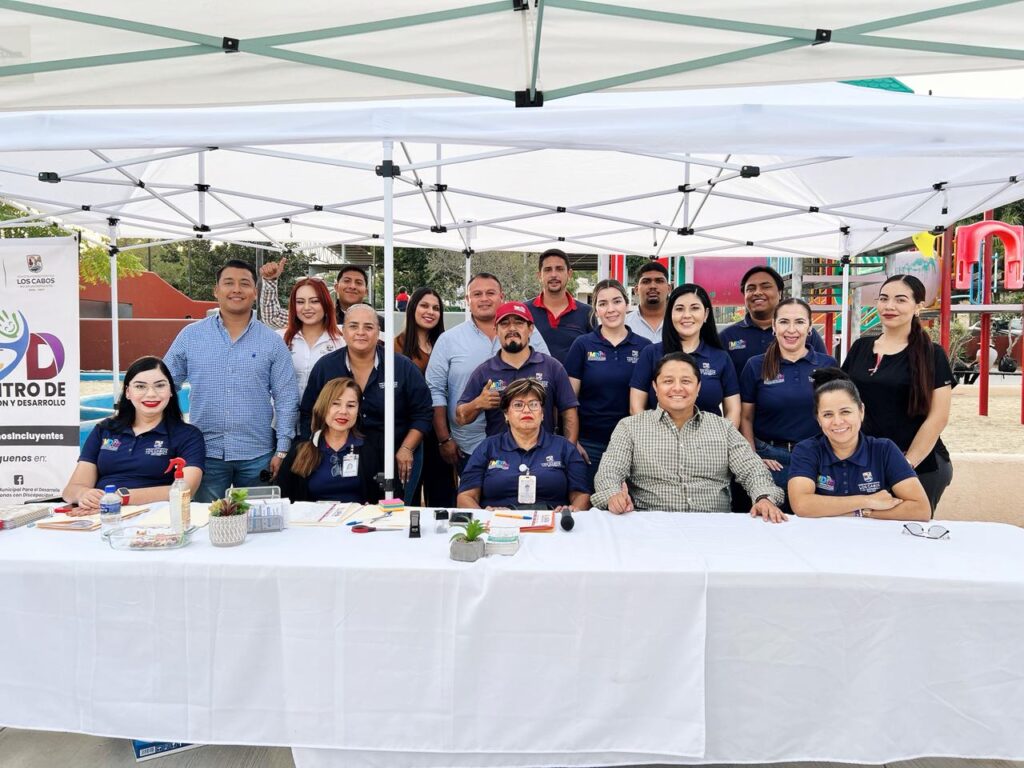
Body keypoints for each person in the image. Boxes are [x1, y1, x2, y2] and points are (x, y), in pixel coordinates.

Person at [592, 352, 785, 521]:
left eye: (686, 381)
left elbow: (752, 468)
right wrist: (613, 495)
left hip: (714, 526)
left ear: (698, 387)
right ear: (655, 387)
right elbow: (610, 471)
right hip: (651, 526)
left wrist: (763, 498)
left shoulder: (723, 428)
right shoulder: (630, 427)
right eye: (668, 381)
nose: (677, 388)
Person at [165, 259, 299, 502]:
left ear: (255, 292)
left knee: (259, 520)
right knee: (206, 519)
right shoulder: (191, 336)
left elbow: (286, 397)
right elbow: (164, 385)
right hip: (205, 454)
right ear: (216, 290)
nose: (237, 289)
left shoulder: (272, 342)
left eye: (244, 283)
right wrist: (173, 433)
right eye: (229, 283)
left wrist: (282, 449)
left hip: (258, 455)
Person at [841, 274, 955, 514]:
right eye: (884, 298)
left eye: (900, 300)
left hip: (918, 466)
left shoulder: (931, 354)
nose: (889, 306)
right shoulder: (860, 347)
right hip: (865, 463)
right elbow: (842, 399)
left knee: (907, 531)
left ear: (918, 306)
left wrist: (904, 465)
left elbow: (938, 418)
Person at [302, 304, 433, 497]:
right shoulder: (325, 368)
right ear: (343, 331)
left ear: (378, 332)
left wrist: (407, 448)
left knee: (394, 511)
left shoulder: (402, 367)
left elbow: (423, 413)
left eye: (369, 327)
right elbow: (309, 413)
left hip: (396, 454)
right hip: (340, 456)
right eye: (353, 326)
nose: (361, 332)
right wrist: (316, 450)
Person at [425, 273, 550, 474]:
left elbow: (548, 376)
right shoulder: (449, 340)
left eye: (490, 293)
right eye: (477, 294)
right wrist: (444, 439)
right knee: (474, 492)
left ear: (502, 296)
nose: (484, 299)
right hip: (468, 444)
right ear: (467, 300)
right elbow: (435, 391)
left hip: (527, 442)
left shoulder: (529, 333)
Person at [62, 356, 205, 510]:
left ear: (171, 391)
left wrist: (120, 497)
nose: (151, 394)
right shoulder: (105, 429)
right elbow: (71, 490)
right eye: (140, 386)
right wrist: (83, 494)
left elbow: (186, 490)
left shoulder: (188, 435)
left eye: (160, 385)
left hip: (156, 515)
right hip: (101, 513)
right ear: (128, 392)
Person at [788, 368, 930, 521]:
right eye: (828, 414)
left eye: (845, 412)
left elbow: (921, 509)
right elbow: (801, 505)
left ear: (861, 411)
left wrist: (862, 513)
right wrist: (868, 501)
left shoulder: (884, 449)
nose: (837, 421)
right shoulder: (806, 450)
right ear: (818, 419)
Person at [739, 298, 837, 494]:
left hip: (817, 456)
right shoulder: (755, 365)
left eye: (799, 322)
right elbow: (746, 417)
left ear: (810, 327)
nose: (791, 330)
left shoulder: (827, 365)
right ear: (774, 326)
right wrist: (753, 458)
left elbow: (837, 415)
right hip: (770, 459)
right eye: (784, 322)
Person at [564, 279, 651, 489]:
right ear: (596, 310)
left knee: (628, 505)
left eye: (616, 301)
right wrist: (572, 442)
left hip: (633, 446)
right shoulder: (582, 345)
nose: (611, 309)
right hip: (590, 445)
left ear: (627, 304)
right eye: (603, 304)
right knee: (590, 503)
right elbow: (568, 400)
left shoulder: (645, 347)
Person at [457, 379, 590, 511]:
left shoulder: (564, 447)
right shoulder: (488, 447)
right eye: (518, 405)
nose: (526, 410)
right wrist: (486, 517)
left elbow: (582, 495)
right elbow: (465, 497)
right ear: (506, 414)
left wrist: (570, 513)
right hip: (499, 521)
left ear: (542, 414)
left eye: (533, 404)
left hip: (552, 521)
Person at [456, 301, 579, 442]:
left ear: (530, 329)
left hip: (545, 453)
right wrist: (477, 403)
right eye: (504, 324)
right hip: (499, 453)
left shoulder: (552, 367)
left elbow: (569, 414)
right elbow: (460, 418)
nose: (512, 328)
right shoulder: (484, 371)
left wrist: (570, 450)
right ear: (496, 330)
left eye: (519, 323)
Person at [629, 283, 740, 426]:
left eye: (695, 308)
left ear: (706, 314)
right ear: (670, 314)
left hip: (710, 439)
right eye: (679, 309)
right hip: (657, 439)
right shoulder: (651, 353)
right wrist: (653, 436)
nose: (687, 315)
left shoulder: (721, 358)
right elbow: (636, 407)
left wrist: (720, 438)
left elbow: (733, 410)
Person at [276, 377, 383, 503]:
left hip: (360, 516)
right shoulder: (299, 451)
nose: (343, 411)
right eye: (335, 404)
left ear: (358, 410)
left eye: (351, 405)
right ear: (323, 407)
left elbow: (385, 498)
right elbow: (282, 498)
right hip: (314, 516)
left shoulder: (372, 449)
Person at [395, 287, 455, 506]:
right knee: (408, 496)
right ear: (412, 308)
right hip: (409, 432)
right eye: (424, 306)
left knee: (442, 496)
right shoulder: (396, 346)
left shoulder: (446, 345)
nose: (430, 312)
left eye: (436, 308)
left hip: (440, 430)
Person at [720, 265, 826, 375]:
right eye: (750, 289)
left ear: (779, 293)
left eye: (765, 287)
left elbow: (825, 372)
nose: (757, 292)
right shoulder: (727, 337)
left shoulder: (803, 333)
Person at [269, 273, 343, 396]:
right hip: (283, 408)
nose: (307, 307)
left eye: (314, 301)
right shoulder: (279, 338)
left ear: (326, 303)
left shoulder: (341, 340)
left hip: (325, 407)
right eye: (300, 302)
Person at [526, 248, 596, 362]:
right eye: (548, 270)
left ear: (569, 274)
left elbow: (598, 353)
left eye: (559, 269)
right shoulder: (525, 311)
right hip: (534, 374)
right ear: (539, 275)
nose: (554, 275)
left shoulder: (587, 313)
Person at [625, 260, 671, 343]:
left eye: (659, 281)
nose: (653, 286)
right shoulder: (624, 324)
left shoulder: (681, 322)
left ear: (669, 289)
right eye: (646, 281)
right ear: (636, 290)